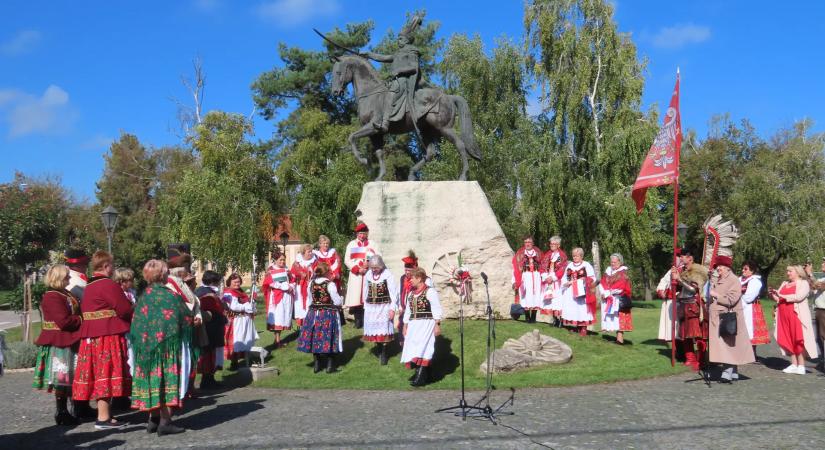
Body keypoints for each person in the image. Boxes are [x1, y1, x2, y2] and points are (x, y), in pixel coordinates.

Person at [71, 250, 133, 430]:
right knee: (107, 373)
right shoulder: (108, 284)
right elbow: (124, 309)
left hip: (92, 335)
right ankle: (103, 417)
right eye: (112, 265)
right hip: (107, 335)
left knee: (100, 374)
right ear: (106, 266)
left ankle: (105, 415)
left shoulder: (90, 285)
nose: (113, 269)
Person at [130, 259, 191, 435]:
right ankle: (165, 422)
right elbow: (184, 317)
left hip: (146, 349)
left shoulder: (144, 296)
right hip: (167, 349)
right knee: (166, 380)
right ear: (163, 274)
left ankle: (153, 419)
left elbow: (136, 323)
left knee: (153, 380)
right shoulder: (170, 296)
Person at [32, 264, 83, 425]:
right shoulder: (52, 296)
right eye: (67, 276)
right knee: (62, 376)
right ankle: (61, 411)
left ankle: (78, 407)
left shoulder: (64, 293)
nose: (69, 278)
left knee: (72, 376)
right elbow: (63, 321)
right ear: (59, 278)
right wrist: (82, 320)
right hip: (59, 341)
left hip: (69, 340)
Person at [365, 12, 422, 132]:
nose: (398, 41)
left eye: (400, 39)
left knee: (391, 94)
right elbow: (384, 58)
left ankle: (385, 123)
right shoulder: (398, 53)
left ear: (407, 40)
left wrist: (400, 70)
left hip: (402, 81)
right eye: (398, 39)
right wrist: (369, 54)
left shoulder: (412, 51)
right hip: (396, 81)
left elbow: (414, 67)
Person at [708, 256, 755, 382]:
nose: (718, 269)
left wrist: (715, 295)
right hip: (718, 317)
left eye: (720, 266)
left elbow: (731, 299)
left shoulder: (733, 280)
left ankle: (727, 372)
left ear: (727, 268)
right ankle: (733, 371)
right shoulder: (718, 280)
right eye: (717, 267)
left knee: (727, 346)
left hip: (727, 317)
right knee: (726, 345)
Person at [166, 254, 202, 395]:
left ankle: (188, 387)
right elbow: (175, 306)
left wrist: (198, 317)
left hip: (190, 328)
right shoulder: (170, 284)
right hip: (178, 328)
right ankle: (180, 389)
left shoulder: (182, 283)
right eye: (185, 268)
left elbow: (195, 303)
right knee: (180, 359)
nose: (188, 271)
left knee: (192, 358)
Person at [297, 262, 343, 373]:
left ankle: (317, 365)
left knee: (315, 337)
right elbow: (337, 301)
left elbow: (310, 299)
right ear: (326, 272)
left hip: (313, 313)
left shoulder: (311, 283)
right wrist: (341, 299)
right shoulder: (330, 284)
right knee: (329, 337)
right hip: (327, 313)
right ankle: (329, 366)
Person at [771, 265, 818, 374]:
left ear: (798, 272)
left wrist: (781, 295)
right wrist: (775, 296)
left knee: (798, 338)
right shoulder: (785, 283)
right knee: (787, 338)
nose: (788, 273)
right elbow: (780, 298)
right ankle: (793, 363)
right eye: (787, 271)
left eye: (790, 271)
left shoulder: (804, 283)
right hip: (783, 315)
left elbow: (798, 297)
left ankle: (801, 365)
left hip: (796, 315)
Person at [400, 267, 443, 387]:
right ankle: (428, 375)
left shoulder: (430, 291)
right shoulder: (411, 294)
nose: (410, 281)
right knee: (415, 347)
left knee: (424, 348)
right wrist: (405, 325)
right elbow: (408, 311)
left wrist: (437, 325)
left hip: (426, 323)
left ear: (419, 278)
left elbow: (436, 308)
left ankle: (420, 377)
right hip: (414, 325)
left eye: (412, 278)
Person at [670, 247, 709, 372]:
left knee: (697, 335)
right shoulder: (682, 271)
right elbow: (678, 289)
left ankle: (701, 360)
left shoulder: (699, 271)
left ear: (690, 258)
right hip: (683, 305)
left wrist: (679, 279)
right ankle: (690, 358)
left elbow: (693, 290)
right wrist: (674, 279)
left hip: (694, 306)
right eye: (680, 256)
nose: (680, 258)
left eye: (682, 256)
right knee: (685, 335)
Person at [361, 255, 399, 365]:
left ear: (381, 266)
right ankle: (379, 348)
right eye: (372, 267)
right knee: (374, 331)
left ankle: (384, 353)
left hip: (384, 307)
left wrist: (392, 309)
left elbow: (393, 293)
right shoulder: (368, 274)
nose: (374, 270)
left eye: (376, 268)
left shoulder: (387, 275)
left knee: (384, 330)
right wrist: (365, 306)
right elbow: (365, 290)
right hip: (371, 307)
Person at [344, 221, 381, 328]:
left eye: (364, 233)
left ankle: (368, 321)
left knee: (368, 299)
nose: (361, 235)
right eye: (360, 233)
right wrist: (357, 269)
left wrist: (369, 265)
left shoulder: (373, 244)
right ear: (357, 233)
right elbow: (347, 259)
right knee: (356, 299)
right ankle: (358, 321)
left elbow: (378, 256)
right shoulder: (352, 244)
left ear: (367, 233)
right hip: (357, 276)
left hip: (369, 274)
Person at [194, 270, 227, 389]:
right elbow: (211, 311)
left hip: (212, 327)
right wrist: (222, 317)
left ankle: (209, 378)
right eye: (217, 282)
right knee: (208, 354)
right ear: (213, 281)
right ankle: (207, 380)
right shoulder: (205, 293)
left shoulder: (205, 291)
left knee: (210, 354)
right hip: (210, 328)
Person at [222, 273, 258, 369]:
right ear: (230, 282)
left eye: (239, 282)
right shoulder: (227, 293)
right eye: (235, 282)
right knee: (236, 341)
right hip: (235, 320)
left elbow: (247, 302)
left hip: (244, 319)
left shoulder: (240, 292)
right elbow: (232, 306)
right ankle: (234, 363)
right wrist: (245, 307)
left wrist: (251, 306)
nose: (237, 284)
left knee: (245, 339)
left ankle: (246, 359)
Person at [560, 248, 597, 336]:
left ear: (581, 256)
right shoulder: (569, 266)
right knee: (573, 308)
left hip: (582, 291)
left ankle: (583, 327)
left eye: (577, 256)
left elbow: (593, 277)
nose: (575, 257)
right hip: (570, 290)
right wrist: (566, 283)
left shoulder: (586, 265)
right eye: (573, 256)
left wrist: (585, 280)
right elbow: (564, 277)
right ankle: (576, 326)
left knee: (582, 309)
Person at [599, 253, 633, 344]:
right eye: (611, 262)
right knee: (613, 318)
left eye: (615, 262)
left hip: (618, 299)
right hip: (608, 298)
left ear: (620, 262)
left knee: (618, 318)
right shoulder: (608, 272)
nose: (613, 264)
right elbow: (602, 283)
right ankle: (617, 338)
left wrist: (607, 293)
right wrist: (602, 292)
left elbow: (620, 287)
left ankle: (620, 339)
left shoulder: (623, 273)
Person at [263, 253, 294, 347]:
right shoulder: (271, 270)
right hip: (276, 297)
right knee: (277, 318)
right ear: (275, 260)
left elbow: (292, 280)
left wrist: (291, 286)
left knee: (282, 317)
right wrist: (283, 286)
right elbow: (269, 283)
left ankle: (277, 340)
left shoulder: (286, 269)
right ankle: (277, 341)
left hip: (286, 296)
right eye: (280, 260)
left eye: (284, 259)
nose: (282, 261)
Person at [740, 261, 769, 358]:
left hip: (751, 308)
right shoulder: (739, 280)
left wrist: (738, 297)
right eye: (743, 268)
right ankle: (742, 352)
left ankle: (752, 354)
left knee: (750, 330)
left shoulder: (755, 281)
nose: (742, 270)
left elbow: (749, 297)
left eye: (745, 269)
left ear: (752, 271)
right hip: (740, 307)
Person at [512, 236, 544, 323]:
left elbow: (544, 265)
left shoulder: (538, 253)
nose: (527, 244)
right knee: (526, 296)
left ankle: (533, 317)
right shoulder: (520, 254)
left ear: (532, 243)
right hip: (525, 277)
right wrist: (515, 280)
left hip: (536, 277)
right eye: (526, 242)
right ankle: (527, 317)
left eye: (529, 242)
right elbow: (515, 268)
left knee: (536, 295)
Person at [540, 236, 568, 325]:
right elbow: (542, 267)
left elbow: (562, 268)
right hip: (548, 280)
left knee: (558, 300)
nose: (551, 245)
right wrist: (545, 276)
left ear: (558, 245)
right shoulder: (547, 255)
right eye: (551, 244)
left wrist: (553, 277)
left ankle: (560, 320)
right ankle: (554, 319)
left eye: (553, 244)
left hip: (557, 281)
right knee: (550, 300)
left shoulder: (562, 255)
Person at [804, 258, 825, 367]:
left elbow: (818, 286)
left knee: (823, 336)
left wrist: (810, 273)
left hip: (824, 311)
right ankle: (823, 358)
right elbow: (812, 288)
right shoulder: (821, 277)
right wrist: (807, 275)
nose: (822, 264)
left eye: (824, 262)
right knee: (819, 338)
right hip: (818, 310)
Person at [290, 244, 317, 327]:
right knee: (301, 308)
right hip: (300, 289)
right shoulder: (297, 263)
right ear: (303, 253)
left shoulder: (315, 262)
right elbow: (292, 276)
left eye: (311, 251)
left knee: (310, 307)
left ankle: (311, 329)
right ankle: (302, 330)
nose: (310, 253)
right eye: (308, 252)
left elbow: (319, 272)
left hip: (311, 287)